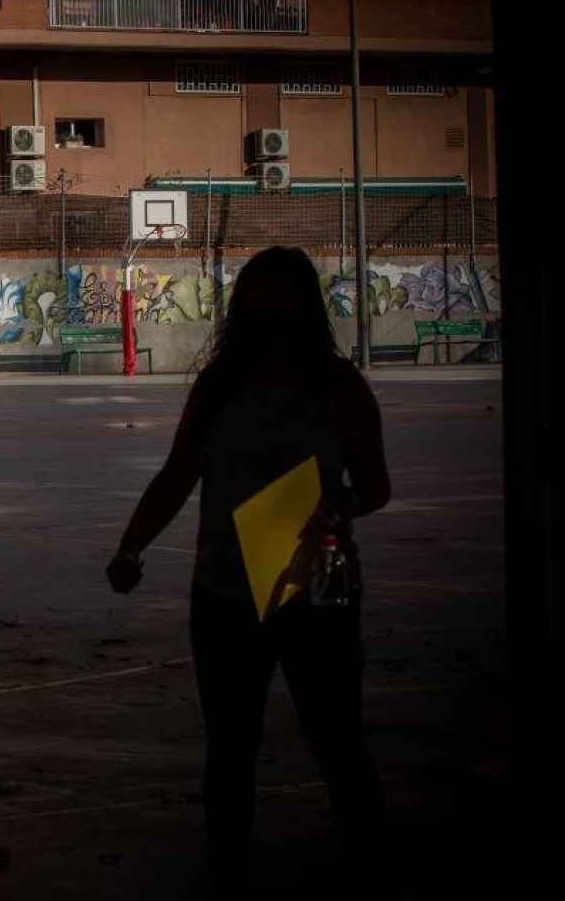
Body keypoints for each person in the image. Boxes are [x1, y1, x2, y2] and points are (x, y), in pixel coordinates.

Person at [105, 246, 392, 896]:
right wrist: (132, 546)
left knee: (336, 737)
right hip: (225, 588)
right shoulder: (219, 386)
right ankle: (228, 868)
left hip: (313, 583)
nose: (268, 312)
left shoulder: (339, 386)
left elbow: (375, 484)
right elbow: (180, 472)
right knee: (230, 746)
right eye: (257, 299)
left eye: (279, 298)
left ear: (303, 305)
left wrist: (337, 505)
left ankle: (370, 859)